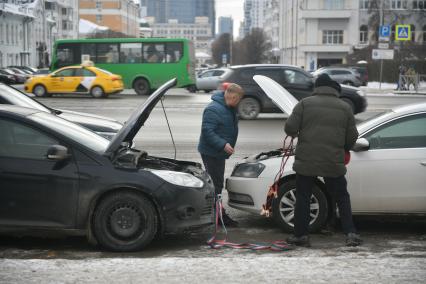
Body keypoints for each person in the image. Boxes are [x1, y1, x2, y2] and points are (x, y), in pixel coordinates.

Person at [285, 74, 362, 247]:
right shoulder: (345, 107)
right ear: (334, 89)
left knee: (303, 197)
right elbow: (352, 136)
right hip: (332, 161)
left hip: (307, 160)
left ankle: (301, 235)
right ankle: (351, 233)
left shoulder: (304, 104)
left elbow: (290, 128)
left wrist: (298, 132)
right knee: (342, 197)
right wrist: (344, 148)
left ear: (317, 88)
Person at [198, 83, 244, 227]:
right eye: (239, 100)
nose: (239, 103)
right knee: (216, 184)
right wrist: (223, 144)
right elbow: (207, 132)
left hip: (219, 153)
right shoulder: (213, 109)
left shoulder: (227, 107)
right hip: (211, 152)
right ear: (233, 96)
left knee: (215, 183)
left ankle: (214, 212)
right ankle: (218, 216)